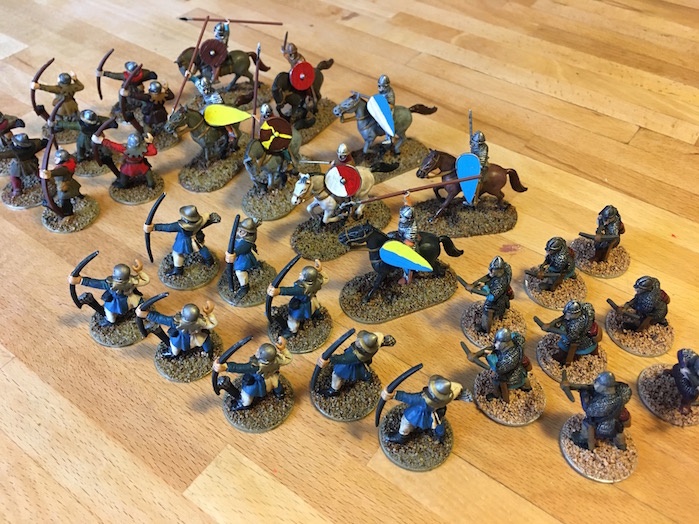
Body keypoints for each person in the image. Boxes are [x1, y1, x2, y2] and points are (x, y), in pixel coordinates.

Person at [213, 338, 292, 410]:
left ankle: (245, 404)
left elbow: (240, 368)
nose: (257, 351)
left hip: (260, 383)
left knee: (247, 394)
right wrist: (283, 349)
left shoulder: (257, 367)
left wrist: (226, 367)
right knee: (276, 384)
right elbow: (288, 358)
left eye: (259, 352)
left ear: (265, 359)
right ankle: (280, 394)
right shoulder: (277, 359)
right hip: (273, 377)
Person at [384, 375, 463, 444]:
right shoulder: (446, 395)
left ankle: (401, 437)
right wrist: (393, 394)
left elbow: (409, 398)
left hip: (418, 415)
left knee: (406, 423)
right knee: (438, 424)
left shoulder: (424, 400)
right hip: (426, 415)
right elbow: (457, 389)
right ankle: (440, 435)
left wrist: (395, 394)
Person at [146, 205, 221, 276]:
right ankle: (209, 260)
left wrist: (154, 227)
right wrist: (211, 218)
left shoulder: (181, 226)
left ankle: (178, 270)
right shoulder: (201, 221)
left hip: (185, 242)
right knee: (202, 248)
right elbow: (206, 218)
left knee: (177, 253)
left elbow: (168, 227)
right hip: (197, 239)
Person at [69, 261, 149, 327]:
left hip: (125, 299)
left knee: (110, 311)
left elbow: (96, 283)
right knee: (111, 312)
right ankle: (111, 321)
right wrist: (139, 271)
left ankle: (112, 321)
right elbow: (145, 280)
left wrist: (80, 281)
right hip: (123, 300)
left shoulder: (114, 284)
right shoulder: (132, 281)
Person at [319, 331, 396, 397]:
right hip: (360, 362)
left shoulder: (356, 355)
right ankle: (367, 378)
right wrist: (385, 341)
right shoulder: (374, 344)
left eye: (360, 342)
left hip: (350, 366)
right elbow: (380, 341)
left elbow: (343, 359)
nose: (358, 340)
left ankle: (333, 390)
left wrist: (330, 359)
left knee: (336, 374)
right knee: (365, 372)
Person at [570, 371, 632, 451]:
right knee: (618, 434)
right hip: (617, 424)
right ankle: (621, 445)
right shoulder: (620, 394)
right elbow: (594, 390)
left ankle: (584, 439)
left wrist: (583, 393)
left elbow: (589, 410)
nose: (595, 384)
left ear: (605, 388)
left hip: (604, 427)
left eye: (597, 383)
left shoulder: (605, 403)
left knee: (586, 424)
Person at [267, 260, 329, 337]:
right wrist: (320, 271)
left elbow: (290, 291)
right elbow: (326, 279)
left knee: (293, 319)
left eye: (302, 275)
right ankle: (317, 315)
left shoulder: (302, 289)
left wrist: (278, 291)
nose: (300, 274)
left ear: (307, 279)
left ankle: (292, 330)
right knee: (315, 308)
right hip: (312, 301)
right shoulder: (317, 282)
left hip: (301, 307)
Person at [139, 302, 217, 358]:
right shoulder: (202, 322)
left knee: (175, 349)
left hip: (182, 340)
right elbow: (213, 323)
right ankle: (208, 351)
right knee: (205, 339)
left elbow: (162, 319)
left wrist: (147, 314)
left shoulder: (177, 322)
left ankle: (208, 352)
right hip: (196, 339)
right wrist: (209, 314)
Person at [56, 109, 119, 176]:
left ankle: (107, 156)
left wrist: (112, 124)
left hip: (97, 139)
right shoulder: (82, 126)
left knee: (103, 148)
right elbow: (69, 125)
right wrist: (57, 123)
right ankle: (81, 158)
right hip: (84, 139)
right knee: (80, 147)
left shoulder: (99, 122)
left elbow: (108, 122)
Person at [538, 300, 600, 365]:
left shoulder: (576, 326)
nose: (566, 316)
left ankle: (561, 357)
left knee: (564, 345)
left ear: (575, 314)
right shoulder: (581, 312)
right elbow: (563, 317)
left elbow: (569, 336)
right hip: (578, 333)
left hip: (581, 340)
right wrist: (551, 324)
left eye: (569, 314)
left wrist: (552, 329)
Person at [463, 256, 513, 332]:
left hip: (498, 302)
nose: (490, 272)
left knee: (487, 309)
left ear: (499, 270)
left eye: (492, 270)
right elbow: (487, 277)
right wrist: (473, 284)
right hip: (499, 296)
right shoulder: (501, 271)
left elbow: (491, 297)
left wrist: (484, 287)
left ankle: (485, 328)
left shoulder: (500, 283)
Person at [92, 131, 157, 189]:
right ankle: (151, 184)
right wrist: (150, 143)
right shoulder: (144, 150)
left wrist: (101, 140)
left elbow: (112, 145)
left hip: (129, 167)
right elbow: (154, 152)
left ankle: (123, 184)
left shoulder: (123, 148)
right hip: (141, 166)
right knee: (148, 172)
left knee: (123, 174)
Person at [0, 133, 47, 197]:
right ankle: (43, 179)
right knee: (36, 171)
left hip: (20, 166)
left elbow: (4, 154)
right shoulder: (33, 145)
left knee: (14, 176)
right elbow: (41, 143)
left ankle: (17, 190)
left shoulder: (15, 152)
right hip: (32, 163)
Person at [225, 217, 261, 300]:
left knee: (240, 272)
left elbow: (241, 249)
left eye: (243, 231)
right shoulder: (241, 235)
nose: (240, 232)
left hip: (244, 258)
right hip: (238, 256)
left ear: (248, 233)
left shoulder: (247, 242)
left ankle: (244, 287)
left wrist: (233, 253)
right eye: (240, 229)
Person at [40, 149, 84, 215]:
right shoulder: (67, 162)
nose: (55, 159)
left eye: (57, 158)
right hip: (68, 183)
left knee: (64, 200)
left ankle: (68, 213)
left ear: (62, 159)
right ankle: (81, 197)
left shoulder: (64, 169)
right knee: (75, 192)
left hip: (65, 186)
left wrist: (48, 173)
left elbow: (57, 172)